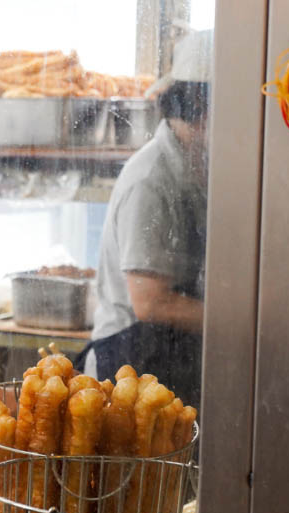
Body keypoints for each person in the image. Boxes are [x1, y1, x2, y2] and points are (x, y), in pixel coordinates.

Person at [78, 30, 212, 406]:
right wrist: (243, 324)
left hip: (167, 359)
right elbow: (151, 302)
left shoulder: (199, 165)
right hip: (128, 361)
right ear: (202, 107)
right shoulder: (151, 179)